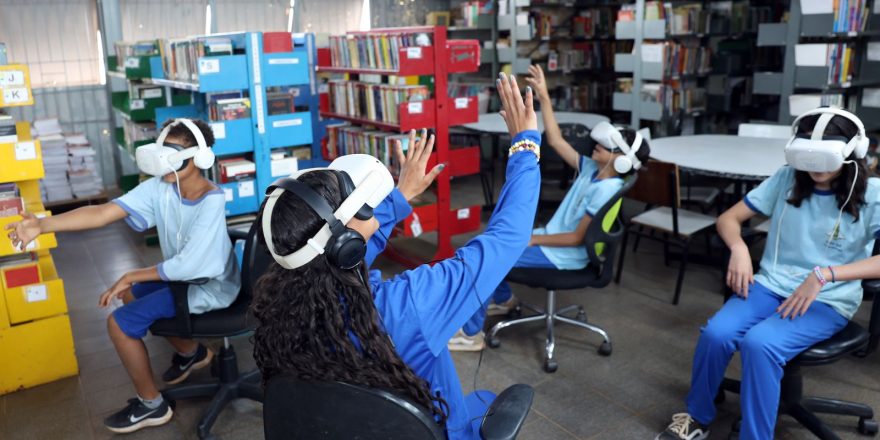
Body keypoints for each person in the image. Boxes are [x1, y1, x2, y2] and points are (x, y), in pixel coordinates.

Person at [251, 72, 539, 439]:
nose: (371, 208)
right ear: (345, 245)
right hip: (432, 428)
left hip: (346, 430)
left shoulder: (282, 301)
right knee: (483, 402)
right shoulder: (407, 306)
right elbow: (508, 238)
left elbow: (342, 247)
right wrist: (525, 146)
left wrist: (400, 197)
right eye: (363, 206)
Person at [656, 107, 880, 440]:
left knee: (760, 344)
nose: (815, 166)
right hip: (771, 284)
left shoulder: (873, 194)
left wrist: (825, 275)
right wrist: (739, 248)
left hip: (827, 298)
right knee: (716, 334)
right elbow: (728, 219)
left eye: (825, 156)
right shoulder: (787, 178)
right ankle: (697, 416)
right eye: (807, 155)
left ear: (852, 150)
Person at [6, 118, 240, 434]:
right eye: (161, 149)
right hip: (182, 280)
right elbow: (103, 212)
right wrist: (43, 225)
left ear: (200, 158)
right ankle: (191, 352)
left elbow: (190, 266)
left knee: (118, 324)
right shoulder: (162, 187)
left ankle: (152, 405)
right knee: (128, 294)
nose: (162, 159)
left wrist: (131, 274)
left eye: (171, 151)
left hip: (209, 286)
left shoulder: (211, 200)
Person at [448, 64, 651, 351]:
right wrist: (543, 96)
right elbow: (554, 140)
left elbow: (577, 238)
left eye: (606, 147)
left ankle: (471, 335)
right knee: (491, 244)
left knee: (486, 259)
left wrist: (532, 239)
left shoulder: (605, 189)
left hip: (563, 254)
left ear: (621, 161)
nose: (596, 145)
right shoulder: (591, 169)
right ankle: (504, 300)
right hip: (550, 241)